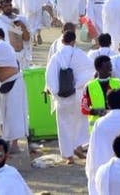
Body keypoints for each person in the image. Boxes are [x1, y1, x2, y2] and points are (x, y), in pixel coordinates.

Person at [44, 30, 94, 163]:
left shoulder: (56, 57)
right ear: (73, 41)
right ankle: (78, 146)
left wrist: (55, 92)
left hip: (62, 97)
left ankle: (68, 156)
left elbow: (50, 77)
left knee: (64, 125)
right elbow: (90, 72)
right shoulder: (80, 54)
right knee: (80, 122)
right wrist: (78, 85)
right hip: (78, 95)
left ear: (62, 41)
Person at [86, 89, 120, 194]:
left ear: (108, 104)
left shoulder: (100, 123)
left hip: (106, 175)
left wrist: (92, 175)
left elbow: (93, 151)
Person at [81, 55, 120, 126]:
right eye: (107, 66)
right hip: (98, 126)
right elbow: (84, 108)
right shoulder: (89, 86)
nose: (110, 69)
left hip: (117, 124)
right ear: (98, 69)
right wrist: (98, 111)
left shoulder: (118, 82)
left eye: (110, 66)